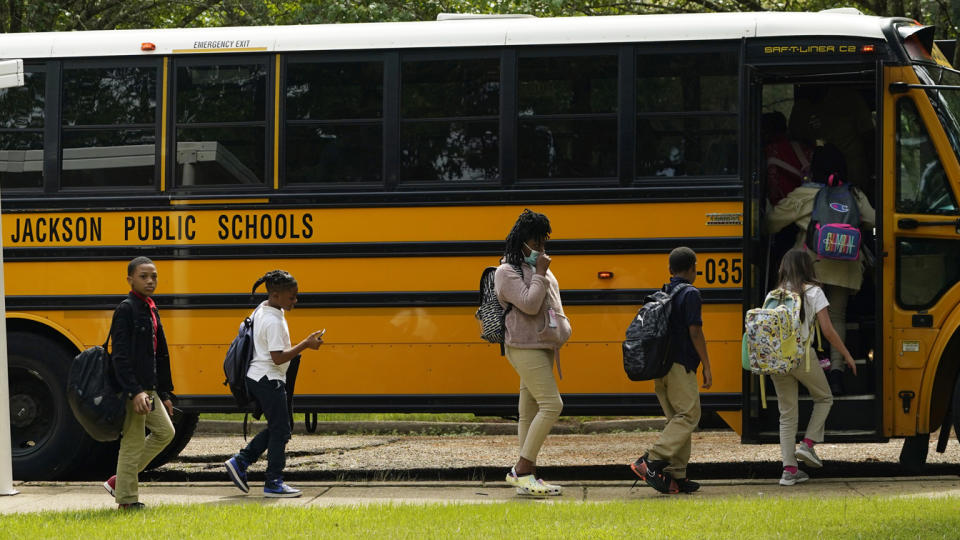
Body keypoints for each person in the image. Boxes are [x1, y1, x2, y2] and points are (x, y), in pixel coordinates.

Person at [767, 144, 875, 394]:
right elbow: (874, 220)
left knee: (804, 319)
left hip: (810, 266)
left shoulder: (804, 194)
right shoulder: (854, 194)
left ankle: (808, 373)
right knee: (836, 317)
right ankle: (836, 373)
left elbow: (771, 223)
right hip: (846, 265)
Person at [224, 270, 324, 498]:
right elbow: (278, 357)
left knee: (280, 426)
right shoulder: (272, 320)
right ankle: (273, 482)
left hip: (259, 376)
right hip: (268, 379)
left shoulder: (265, 308)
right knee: (281, 430)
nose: (295, 301)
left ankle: (241, 461)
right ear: (276, 295)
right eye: (292, 297)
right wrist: (306, 344)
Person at [495, 209, 572, 496]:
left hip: (542, 345)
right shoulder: (506, 272)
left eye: (543, 243)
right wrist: (540, 273)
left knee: (527, 412)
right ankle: (521, 469)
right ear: (521, 242)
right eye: (535, 244)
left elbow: (549, 304)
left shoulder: (540, 269)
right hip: (523, 346)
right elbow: (528, 304)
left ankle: (528, 479)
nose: (540, 250)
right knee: (553, 405)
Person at [770, 249, 858, 486]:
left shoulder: (775, 294)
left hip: (776, 359)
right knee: (824, 398)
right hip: (801, 356)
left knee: (787, 414)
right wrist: (846, 354)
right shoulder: (813, 292)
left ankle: (788, 470)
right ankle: (808, 445)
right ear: (807, 267)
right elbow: (828, 330)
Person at [630, 247, 712, 494]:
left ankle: (677, 474)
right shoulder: (690, 294)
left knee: (677, 419)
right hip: (679, 365)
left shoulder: (662, 293)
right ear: (693, 268)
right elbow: (695, 331)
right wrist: (706, 365)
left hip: (660, 367)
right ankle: (650, 461)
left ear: (669, 270)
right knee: (688, 416)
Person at [102, 257, 175, 510]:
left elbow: (158, 354)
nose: (150, 281)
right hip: (134, 390)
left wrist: (164, 392)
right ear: (130, 279)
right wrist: (134, 392)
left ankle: (118, 481)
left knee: (166, 433)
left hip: (150, 388)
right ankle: (127, 500)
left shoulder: (150, 307)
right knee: (132, 442)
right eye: (143, 276)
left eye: (153, 276)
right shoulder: (127, 309)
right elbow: (120, 356)